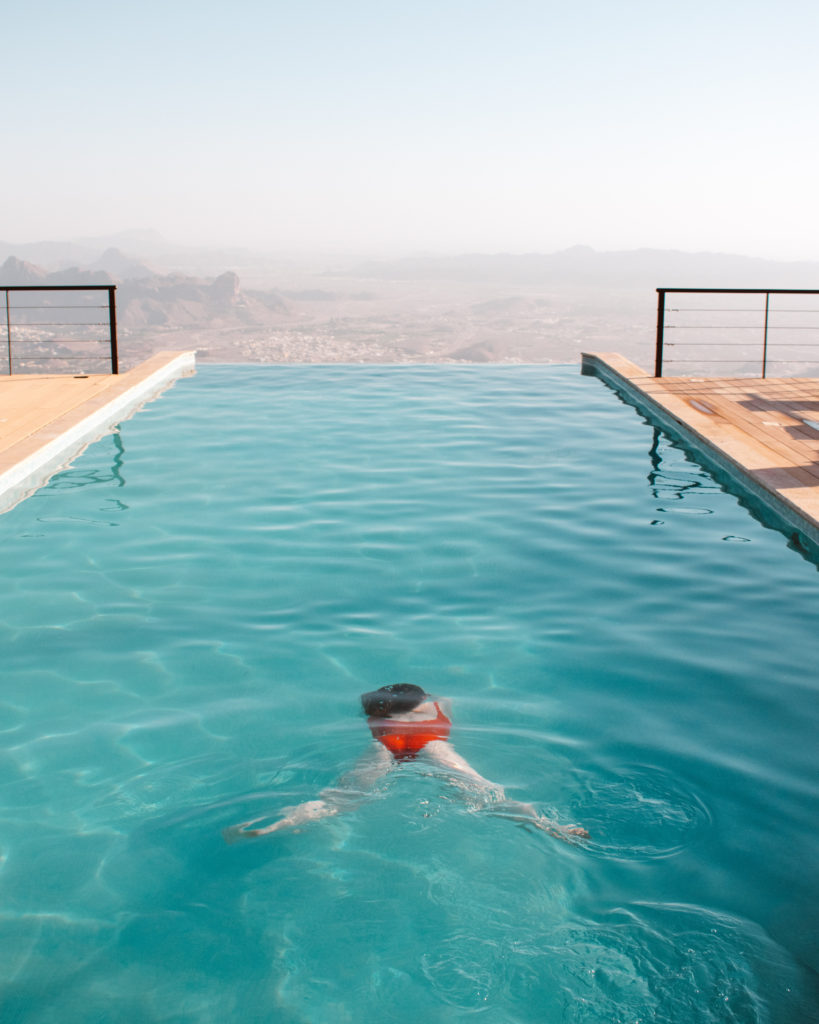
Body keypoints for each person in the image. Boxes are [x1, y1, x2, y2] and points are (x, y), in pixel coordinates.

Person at [223, 683, 588, 843]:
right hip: (434, 747)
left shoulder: (377, 715)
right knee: (486, 791)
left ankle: (273, 825)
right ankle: (546, 826)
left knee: (340, 800)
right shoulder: (441, 702)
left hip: (386, 749)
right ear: (422, 697)